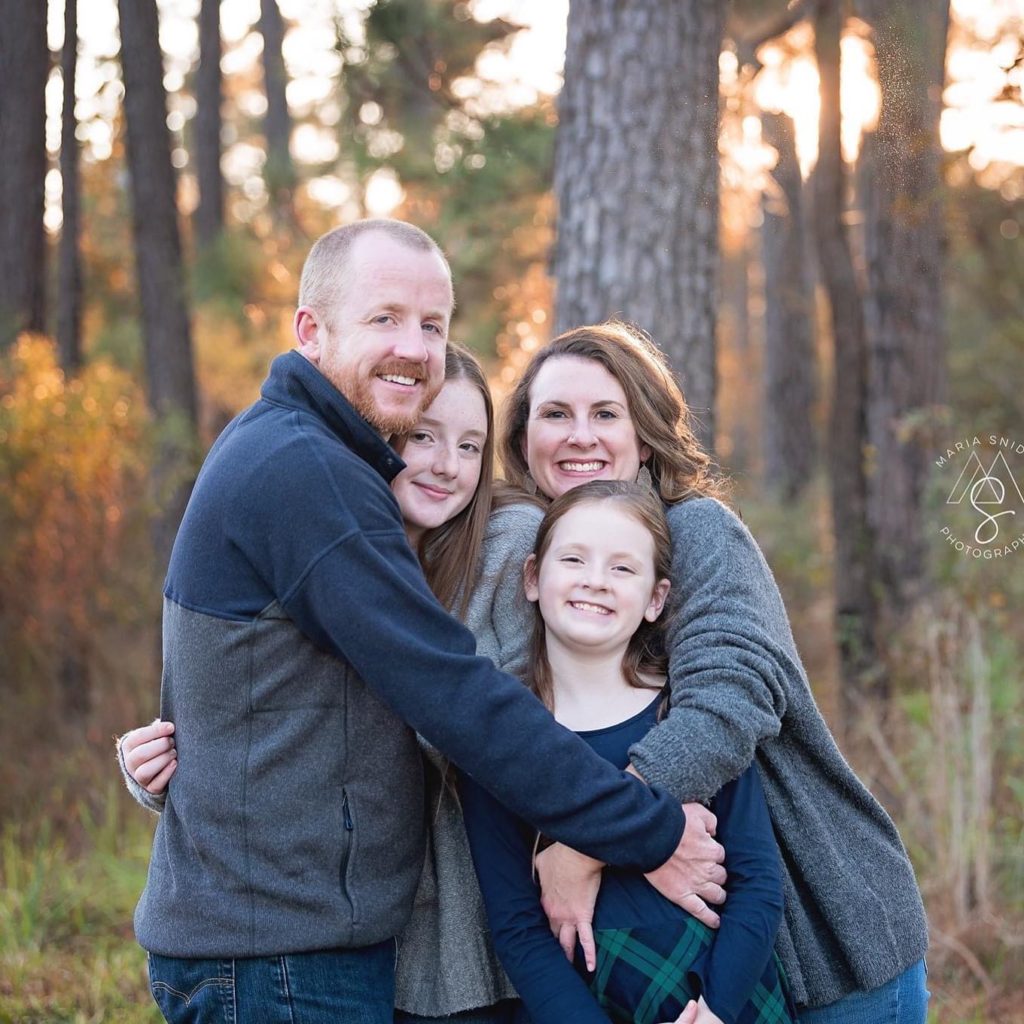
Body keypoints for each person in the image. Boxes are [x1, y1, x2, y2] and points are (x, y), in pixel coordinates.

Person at [129, 222, 725, 1024]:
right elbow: (451, 692)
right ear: (312, 330)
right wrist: (644, 828)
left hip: (286, 943)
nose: (413, 346)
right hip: (275, 958)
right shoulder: (307, 471)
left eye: (433, 324)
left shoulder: (302, 452)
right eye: (384, 319)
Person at [497, 322, 929, 1023]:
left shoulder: (697, 530)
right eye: (555, 414)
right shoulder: (550, 563)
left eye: (606, 414)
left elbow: (729, 700)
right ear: (523, 442)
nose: (580, 436)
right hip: (685, 971)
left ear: (646, 437)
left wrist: (583, 845)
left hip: (824, 947)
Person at [121, 342, 533, 1022]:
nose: (446, 465)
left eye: (470, 446)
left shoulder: (503, 552)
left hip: (460, 926)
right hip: (329, 930)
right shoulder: (320, 538)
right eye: (424, 437)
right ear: (382, 436)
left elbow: (493, 724)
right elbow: (276, 717)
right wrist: (166, 763)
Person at [461, 480, 798, 1024]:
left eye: (622, 568)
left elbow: (757, 881)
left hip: (725, 1001)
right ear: (532, 577)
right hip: (585, 1005)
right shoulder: (501, 737)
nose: (595, 581)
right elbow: (517, 930)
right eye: (573, 558)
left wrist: (717, 1009)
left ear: (655, 599)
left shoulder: (686, 721)